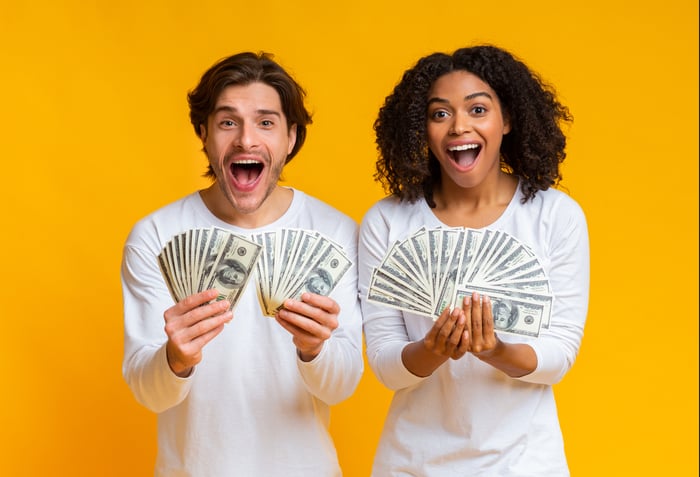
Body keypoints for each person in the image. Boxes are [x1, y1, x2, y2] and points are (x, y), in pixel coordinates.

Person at [121, 52, 363, 476]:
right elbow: (150, 394)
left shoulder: (336, 233)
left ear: (290, 138)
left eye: (266, 122)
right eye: (228, 122)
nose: (246, 141)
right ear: (204, 132)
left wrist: (314, 350)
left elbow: (342, 386)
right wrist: (176, 359)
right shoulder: (156, 237)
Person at [358, 45, 590, 476]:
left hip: (524, 461)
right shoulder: (387, 222)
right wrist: (433, 350)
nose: (458, 126)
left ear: (508, 120)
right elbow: (387, 367)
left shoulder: (554, 216)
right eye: (440, 114)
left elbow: (559, 354)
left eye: (478, 109)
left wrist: (496, 350)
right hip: (413, 462)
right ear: (420, 130)